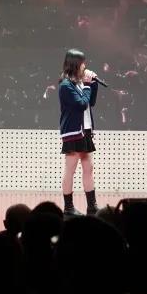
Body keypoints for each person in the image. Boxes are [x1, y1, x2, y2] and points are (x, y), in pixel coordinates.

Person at [58, 48, 100, 217]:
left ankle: (92, 206)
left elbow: (91, 102)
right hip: (73, 132)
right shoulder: (66, 85)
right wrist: (88, 85)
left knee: (88, 167)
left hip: (85, 130)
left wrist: (93, 84)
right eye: (83, 63)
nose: (85, 66)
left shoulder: (81, 83)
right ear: (75, 64)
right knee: (71, 169)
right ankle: (68, 207)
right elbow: (81, 104)